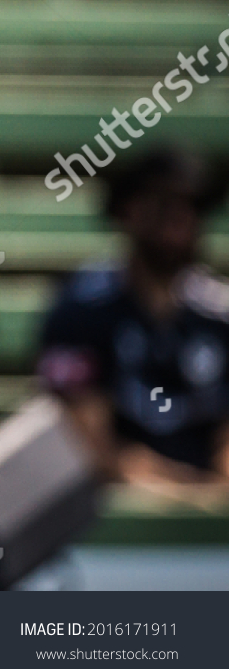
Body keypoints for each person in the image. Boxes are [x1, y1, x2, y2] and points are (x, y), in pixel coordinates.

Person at [38, 146, 229, 505]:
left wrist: (216, 493)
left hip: (213, 516)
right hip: (113, 514)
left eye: (191, 206)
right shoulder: (80, 311)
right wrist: (181, 490)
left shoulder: (220, 315)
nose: (178, 220)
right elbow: (87, 440)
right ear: (127, 211)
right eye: (162, 204)